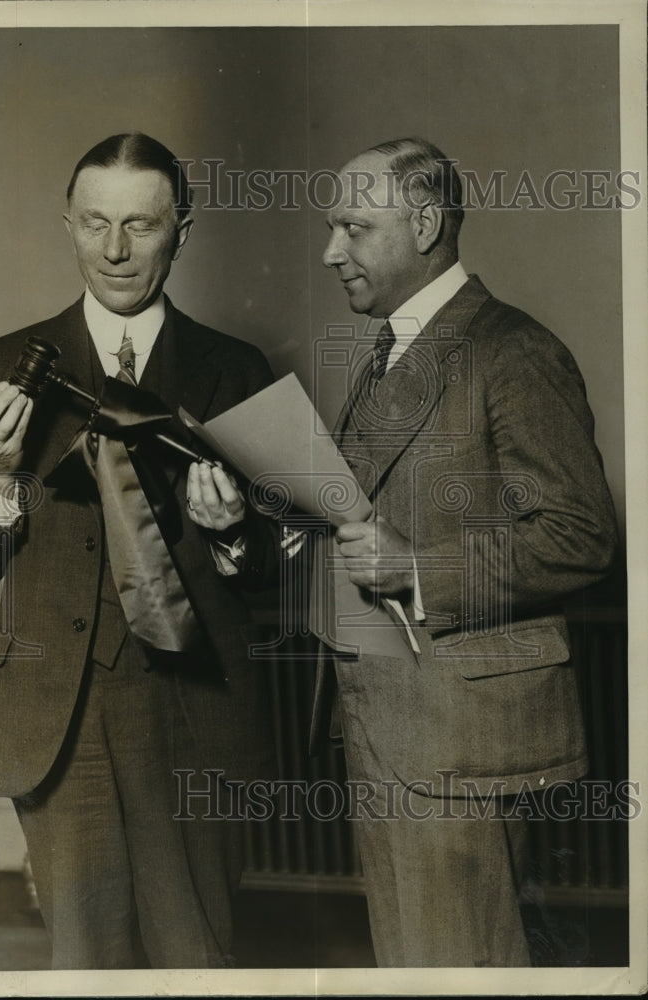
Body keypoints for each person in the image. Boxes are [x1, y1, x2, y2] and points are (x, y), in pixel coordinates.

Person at [0, 132, 276, 970]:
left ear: (182, 231)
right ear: (68, 225)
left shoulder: (238, 370)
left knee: (196, 960)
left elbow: (280, 566)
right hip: (56, 717)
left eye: (140, 225)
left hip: (194, 714)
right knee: (82, 965)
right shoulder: (0, 364)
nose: (115, 250)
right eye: (94, 224)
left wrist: (231, 533)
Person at [306, 137, 618, 966]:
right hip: (390, 728)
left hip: (463, 743)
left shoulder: (513, 350)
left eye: (353, 228)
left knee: (464, 967)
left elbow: (581, 535)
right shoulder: (388, 354)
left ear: (424, 225)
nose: (329, 251)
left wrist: (417, 567)